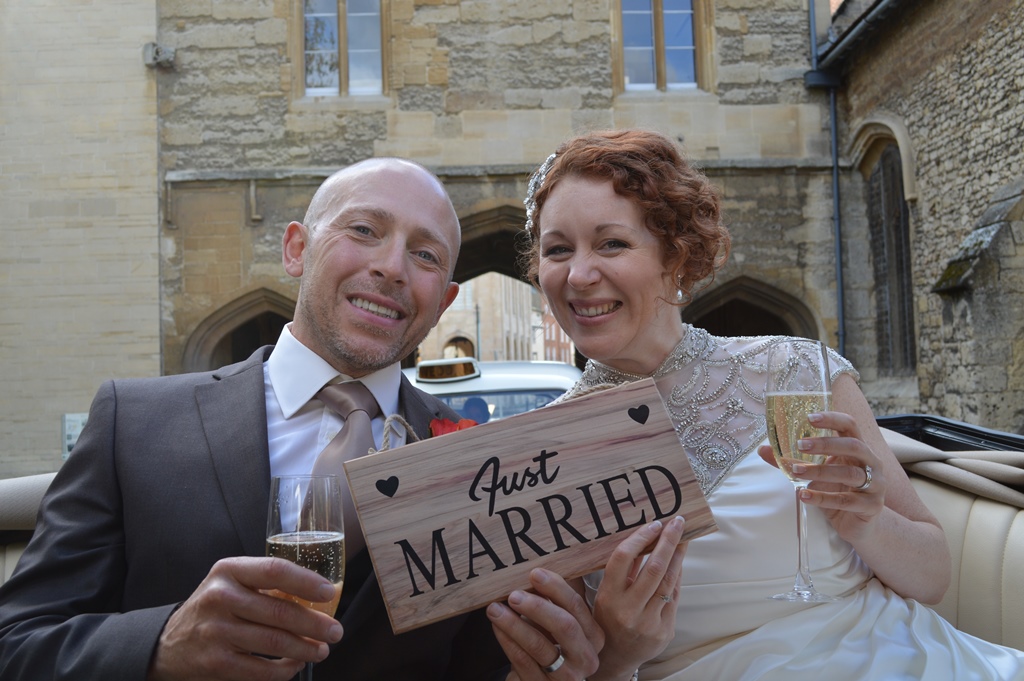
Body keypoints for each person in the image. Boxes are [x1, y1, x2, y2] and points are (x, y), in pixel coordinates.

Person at [495, 128, 1024, 680]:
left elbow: (933, 575)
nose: (578, 275)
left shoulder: (792, 371)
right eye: (558, 250)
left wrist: (866, 522)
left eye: (612, 243)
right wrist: (620, 649)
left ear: (675, 255)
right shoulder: (538, 455)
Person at [0, 158, 517, 681]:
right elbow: (17, 643)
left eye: (425, 255)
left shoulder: (477, 463)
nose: (391, 266)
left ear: (445, 301)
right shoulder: (131, 424)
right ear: (297, 249)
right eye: (363, 230)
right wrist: (161, 644)